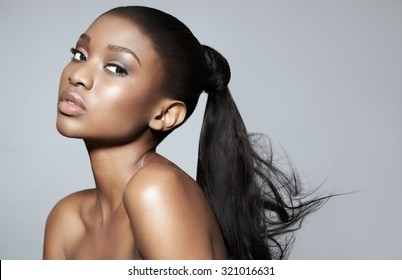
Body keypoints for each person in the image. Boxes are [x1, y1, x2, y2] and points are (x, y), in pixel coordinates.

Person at [43, 6, 327, 260]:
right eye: (80, 54)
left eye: (116, 68)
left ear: (166, 114)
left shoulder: (155, 190)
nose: (77, 76)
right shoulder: (67, 218)